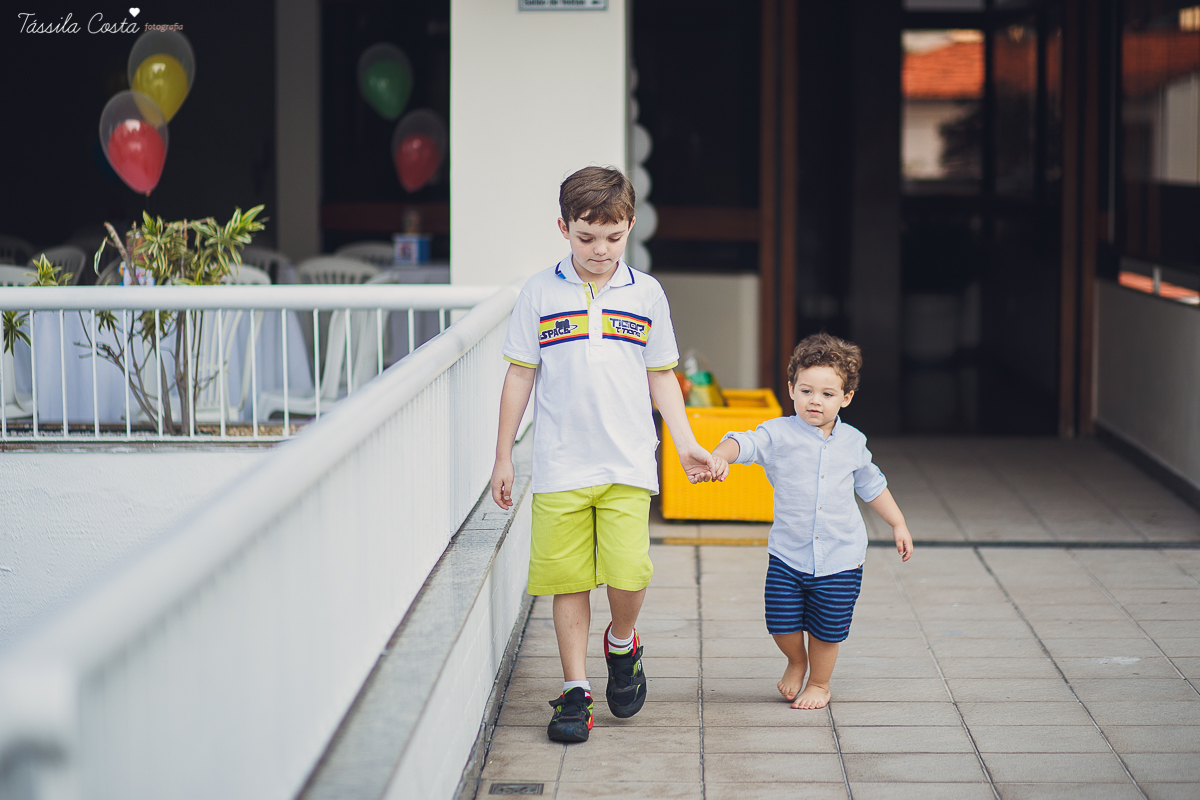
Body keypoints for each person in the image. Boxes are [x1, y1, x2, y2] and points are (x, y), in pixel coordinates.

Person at [490, 166, 717, 743]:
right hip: (562, 464)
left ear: (630, 227)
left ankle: (623, 640)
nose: (599, 250)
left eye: (613, 238)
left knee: (628, 573)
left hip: (628, 462)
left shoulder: (647, 294)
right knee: (568, 581)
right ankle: (575, 690)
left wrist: (685, 440)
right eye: (586, 237)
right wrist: (504, 457)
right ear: (563, 227)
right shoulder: (539, 294)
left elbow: (662, 374)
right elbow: (519, 377)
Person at [709, 332, 913, 710]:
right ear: (791, 389)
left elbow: (872, 485)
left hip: (840, 556)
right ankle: (795, 660)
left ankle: (819, 683)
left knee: (827, 629)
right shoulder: (778, 433)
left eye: (827, 394)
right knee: (781, 622)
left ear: (846, 398)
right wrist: (721, 455)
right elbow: (743, 441)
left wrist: (897, 523)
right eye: (806, 391)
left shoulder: (853, 442)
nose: (815, 401)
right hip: (789, 553)